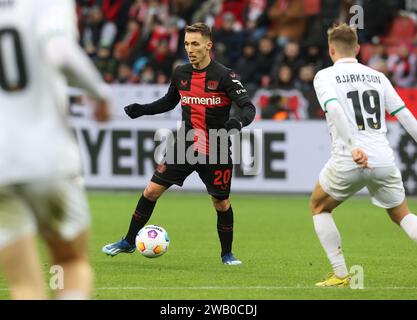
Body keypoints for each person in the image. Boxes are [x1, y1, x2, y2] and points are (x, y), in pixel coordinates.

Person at [102, 22, 256, 265]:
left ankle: (227, 254)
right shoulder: (180, 73)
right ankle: (129, 241)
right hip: (184, 146)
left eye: (195, 43)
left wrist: (236, 123)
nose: (190, 49)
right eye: (186, 43)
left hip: (215, 148)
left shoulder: (225, 76)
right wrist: (142, 109)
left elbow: (249, 108)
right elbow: (168, 102)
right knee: (151, 191)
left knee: (221, 202)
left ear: (208, 45)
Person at [0, 0, 111, 299]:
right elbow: (60, 52)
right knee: (70, 262)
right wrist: (99, 93)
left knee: (23, 285)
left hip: (2, 167)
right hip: (48, 156)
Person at [311, 23, 417, 287]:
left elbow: (334, 110)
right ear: (358, 49)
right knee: (402, 214)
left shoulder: (324, 76)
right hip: (382, 158)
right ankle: (341, 275)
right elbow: (404, 115)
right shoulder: (377, 76)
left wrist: (351, 146)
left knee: (319, 207)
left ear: (330, 49)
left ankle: (341, 274)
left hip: (349, 157)